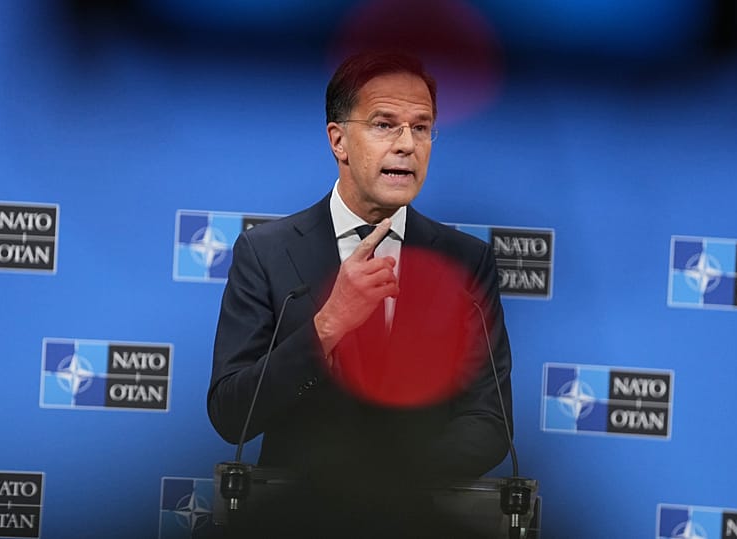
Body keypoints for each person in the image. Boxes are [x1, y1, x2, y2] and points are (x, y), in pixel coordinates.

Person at [208, 51, 514, 537]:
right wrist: (326, 326)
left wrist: (392, 482)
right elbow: (231, 415)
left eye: (421, 127)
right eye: (384, 124)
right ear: (339, 140)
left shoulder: (465, 262)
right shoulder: (265, 253)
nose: (407, 145)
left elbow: (488, 420)